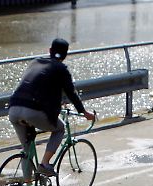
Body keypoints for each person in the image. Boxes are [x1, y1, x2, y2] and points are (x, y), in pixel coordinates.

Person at [8, 38, 95, 178]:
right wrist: (84, 112)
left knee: (27, 150)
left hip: (13, 109)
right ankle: (45, 164)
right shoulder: (61, 69)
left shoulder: (35, 62)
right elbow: (71, 93)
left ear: (49, 50)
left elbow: (37, 86)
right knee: (59, 128)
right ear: (66, 55)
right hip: (32, 111)